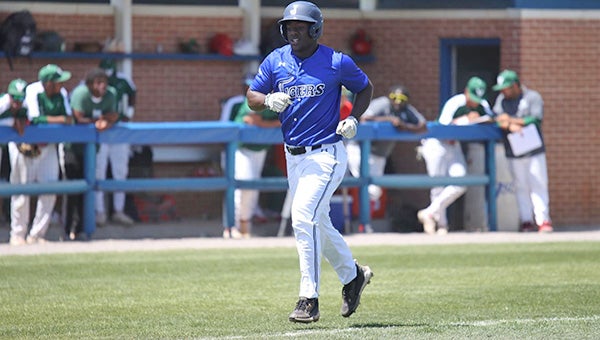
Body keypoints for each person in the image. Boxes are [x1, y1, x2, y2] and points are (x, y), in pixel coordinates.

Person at [246, 1, 374, 323]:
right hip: (294, 156)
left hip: (326, 153)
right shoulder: (276, 60)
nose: (293, 31)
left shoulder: (336, 61)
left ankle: (308, 299)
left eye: (300, 26)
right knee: (320, 222)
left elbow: (365, 87)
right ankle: (353, 276)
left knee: (302, 217)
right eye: (289, 26)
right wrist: (267, 100)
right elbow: (252, 97)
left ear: (315, 29)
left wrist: (354, 119)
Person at [417, 76, 493, 235]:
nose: (475, 102)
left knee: (460, 181)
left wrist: (477, 119)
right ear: (466, 92)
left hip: (454, 145)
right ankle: (441, 225)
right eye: (472, 98)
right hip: (436, 143)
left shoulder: (483, 104)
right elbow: (444, 128)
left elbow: (492, 121)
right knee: (437, 186)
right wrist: (465, 119)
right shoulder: (455, 102)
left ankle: (429, 213)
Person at [9, 64, 74, 245]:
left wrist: (60, 120)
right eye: (57, 82)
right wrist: (59, 119)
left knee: (50, 189)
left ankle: (37, 234)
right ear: (48, 83)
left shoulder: (61, 94)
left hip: (48, 147)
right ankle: (18, 233)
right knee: (21, 190)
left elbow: (68, 118)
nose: (61, 85)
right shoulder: (33, 91)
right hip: (25, 146)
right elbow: (35, 119)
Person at [492, 69, 552, 233]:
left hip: (533, 149)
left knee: (538, 184)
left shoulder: (532, 97)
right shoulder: (502, 100)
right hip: (514, 149)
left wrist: (512, 120)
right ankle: (526, 220)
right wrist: (510, 125)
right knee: (520, 186)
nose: (504, 91)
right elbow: (497, 118)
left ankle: (543, 220)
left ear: (515, 85)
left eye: (506, 88)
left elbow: (535, 119)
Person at [223, 74, 281, 239]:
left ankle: (244, 228)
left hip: (259, 149)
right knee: (241, 186)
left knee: (252, 189)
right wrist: (276, 124)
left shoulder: (273, 99)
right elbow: (253, 119)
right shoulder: (250, 100)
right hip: (240, 149)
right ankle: (231, 227)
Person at [347, 84, 427, 203]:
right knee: (356, 181)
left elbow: (423, 126)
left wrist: (405, 127)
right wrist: (389, 120)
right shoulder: (382, 103)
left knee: (374, 192)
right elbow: (364, 118)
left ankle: (365, 220)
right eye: (395, 97)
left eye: (402, 99)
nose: (398, 102)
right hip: (358, 149)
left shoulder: (407, 110)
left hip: (379, 155)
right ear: (389, 97)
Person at [64, 68, 118, 240]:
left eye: (104, 82)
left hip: (93, 148)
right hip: (72, 146)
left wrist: (106, 122)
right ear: (89, 84)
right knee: (73, 188)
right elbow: (78, 117)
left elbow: (114, 115)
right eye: (98, 82)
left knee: (89, 188)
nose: (102, 86)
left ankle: (82, 229)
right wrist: (100, 121)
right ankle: (68, 230)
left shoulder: (110, 94)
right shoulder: (81, 93)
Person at [96, 58, 137, 226]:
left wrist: (129, 112)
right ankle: (99, 212)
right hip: (100, 128)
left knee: (120, 170)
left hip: (118, 128)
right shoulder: (91, 81)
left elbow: (133, 92)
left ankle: (118, 210)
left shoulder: (122, 79)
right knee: (98, 170)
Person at [1, 79, 29, 226]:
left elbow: (25, 125)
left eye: (20, 98)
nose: (17, 102)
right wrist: (10, 123)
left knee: (10, 179)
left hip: (10, 147)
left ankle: (7, 216)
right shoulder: (2, 103)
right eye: (14, 97)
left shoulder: (25, 106)